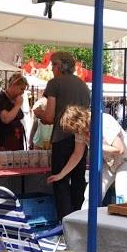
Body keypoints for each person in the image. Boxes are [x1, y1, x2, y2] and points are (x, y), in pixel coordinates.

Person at [48, 105, 127, 208]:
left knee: (123, 195)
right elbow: (77, 154)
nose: (77, 134)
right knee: (91, 194)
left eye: (76, 130)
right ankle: (84, 222)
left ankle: (125, 222)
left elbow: (120, 149)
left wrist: (96, 145)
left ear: (80, 121)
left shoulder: (104, 122)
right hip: (108, 162)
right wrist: (61, 174)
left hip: (126, 159)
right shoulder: (80, 130)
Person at [36, 51, 90, 220]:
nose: (51, 68)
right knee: (78, 180)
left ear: (59, 66)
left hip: (61, 137)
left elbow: (50, 116)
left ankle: (64, 222)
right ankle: (78, 219)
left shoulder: (54, 83)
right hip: (81, 137)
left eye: (53, 65)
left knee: (60, 182)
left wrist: (39, 114)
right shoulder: (83, 85)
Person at [0, 73, 28, 151]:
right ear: (13, 85)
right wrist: (18, 105)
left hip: (16, 142)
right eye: (21, 89)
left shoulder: (14, 100)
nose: (22, 92)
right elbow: (6, 119)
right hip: (3, 143)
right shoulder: (0, 98)